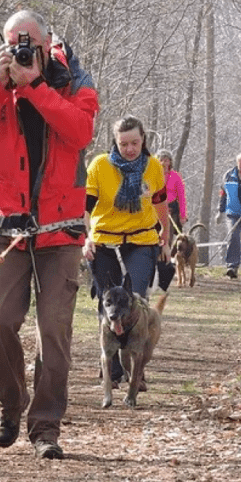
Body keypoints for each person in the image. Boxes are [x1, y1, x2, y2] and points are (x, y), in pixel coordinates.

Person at [0, 9, 99, 460]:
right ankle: (10, 406)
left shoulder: (73, 79)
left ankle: (46, 426)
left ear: (46, 39)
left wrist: (35, 86)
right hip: (6, 226)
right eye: (15, 42)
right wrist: (1, 84)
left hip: (61, 229)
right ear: (4, 41)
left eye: (30, 42)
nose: (23, 50)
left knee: (54, 328)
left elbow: (80, 132)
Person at [83, 116, 171, 386]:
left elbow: (161, 204)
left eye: (134, 143)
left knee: (136, 301)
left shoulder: (154, 167)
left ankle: (136, 369)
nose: (130, 149)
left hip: (142, 240)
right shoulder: (99, 165)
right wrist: (86, 239)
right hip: (105, 240)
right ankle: (111, 366)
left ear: (143, 139)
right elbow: (85, 207)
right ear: (115, 142)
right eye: (123, 144)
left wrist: (165, 239)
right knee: (107, 301)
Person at [156, 149, 188, 246]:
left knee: (167, 237)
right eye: (161, 160)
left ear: (170, 162)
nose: (164, 163)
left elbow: (182, 197)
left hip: (172, 209)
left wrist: (183, 215)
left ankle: (166, 257)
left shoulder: (176, 176)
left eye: (166, 160)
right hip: (156, 209)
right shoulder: (154, 175)